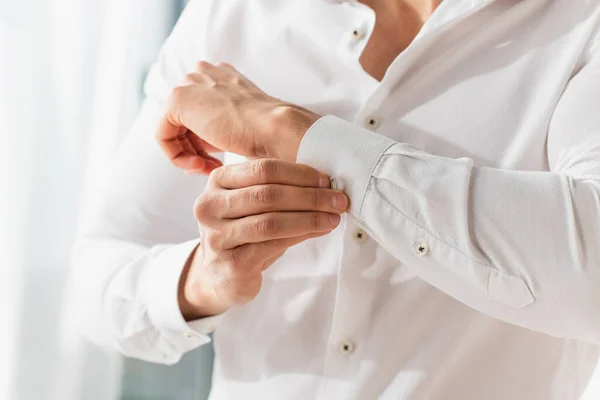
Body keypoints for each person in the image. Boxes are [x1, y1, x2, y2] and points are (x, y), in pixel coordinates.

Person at [72, 0, 600, 398]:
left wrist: (296, 134)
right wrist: (203, 279)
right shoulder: (234, 12)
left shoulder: (581, 21)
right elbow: (100, 278)